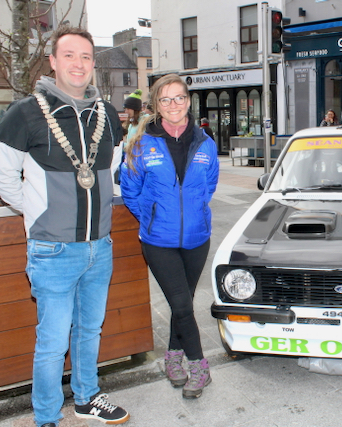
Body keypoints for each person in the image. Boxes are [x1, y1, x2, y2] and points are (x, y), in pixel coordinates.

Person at [0, 26, 129, 427]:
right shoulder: (24, 113)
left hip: (98, 247)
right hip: (53, 251)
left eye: (86, 57)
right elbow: (2, 177)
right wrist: (38, 213)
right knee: (51, 343)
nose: (79, 64)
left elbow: (112, 167)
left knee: (89, 331)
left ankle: (87, 397)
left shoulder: (106, 115)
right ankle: (46, 417)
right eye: (69, 55)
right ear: (53, 62)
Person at [120, 74, 219, 399]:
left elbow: (210, 186)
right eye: (166, 99)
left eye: (179, 98)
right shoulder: (141, 142)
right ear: (156, 105)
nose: (173, 105)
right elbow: (131, 190)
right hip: (157, 240)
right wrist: (151, 216)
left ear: (188, 101)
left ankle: (172, 357)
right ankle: (198, 366)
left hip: (197, 238)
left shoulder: (206, 143)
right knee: (180, 302)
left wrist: (193, 211)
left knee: (183, 305)